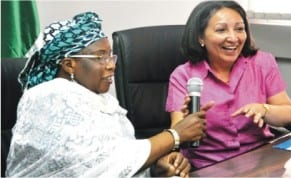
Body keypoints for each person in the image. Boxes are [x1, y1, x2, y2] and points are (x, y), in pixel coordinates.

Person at [5, 12, 210, 177]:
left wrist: (154, 169)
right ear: (69, 64)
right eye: (100, 57)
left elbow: (116, 163)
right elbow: (97, 164)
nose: (111, 65)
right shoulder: (49, 95)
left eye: (110, 55)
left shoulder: (102, 100)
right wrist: (175, 135)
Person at [165, 0, 291, 170]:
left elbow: (289, 114)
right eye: (221, 30)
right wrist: (186, 121)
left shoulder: (262, 62)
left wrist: (264, 110)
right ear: (200, 38)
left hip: (261, 162)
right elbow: (176, 134)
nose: (234, 38)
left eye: (240, 29)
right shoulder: (183, 76)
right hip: (209, 167)